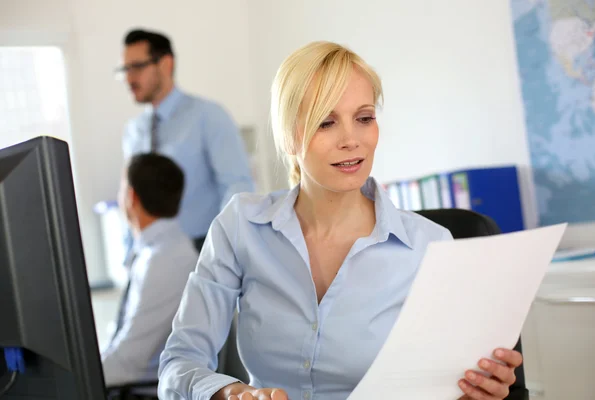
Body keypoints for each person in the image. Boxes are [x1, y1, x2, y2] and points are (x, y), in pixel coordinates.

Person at [157, 41, 524, 400]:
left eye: (364, 118)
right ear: (290, 136)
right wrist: (228, 392)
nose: (351, 139)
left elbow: (449, 381)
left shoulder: (430, 246)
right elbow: (179, 363)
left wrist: (477, 391)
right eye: (326, 122)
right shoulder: (241, 226)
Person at [118, 29, 255, 252]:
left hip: (203, 250)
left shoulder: (208, 116)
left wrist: (223, 249)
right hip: (148, 254)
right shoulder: (133, 131)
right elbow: (130, 198)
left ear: (165, 64)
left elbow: (237, 187)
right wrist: (129, 255)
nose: (128, 78)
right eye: (125, 69)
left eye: (137, 67)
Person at [102, 153, 198, 388]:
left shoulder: (164, 260)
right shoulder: (159, 251)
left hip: (138, 390)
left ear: (131, 196)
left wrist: (78, 375)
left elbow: (129, 361)